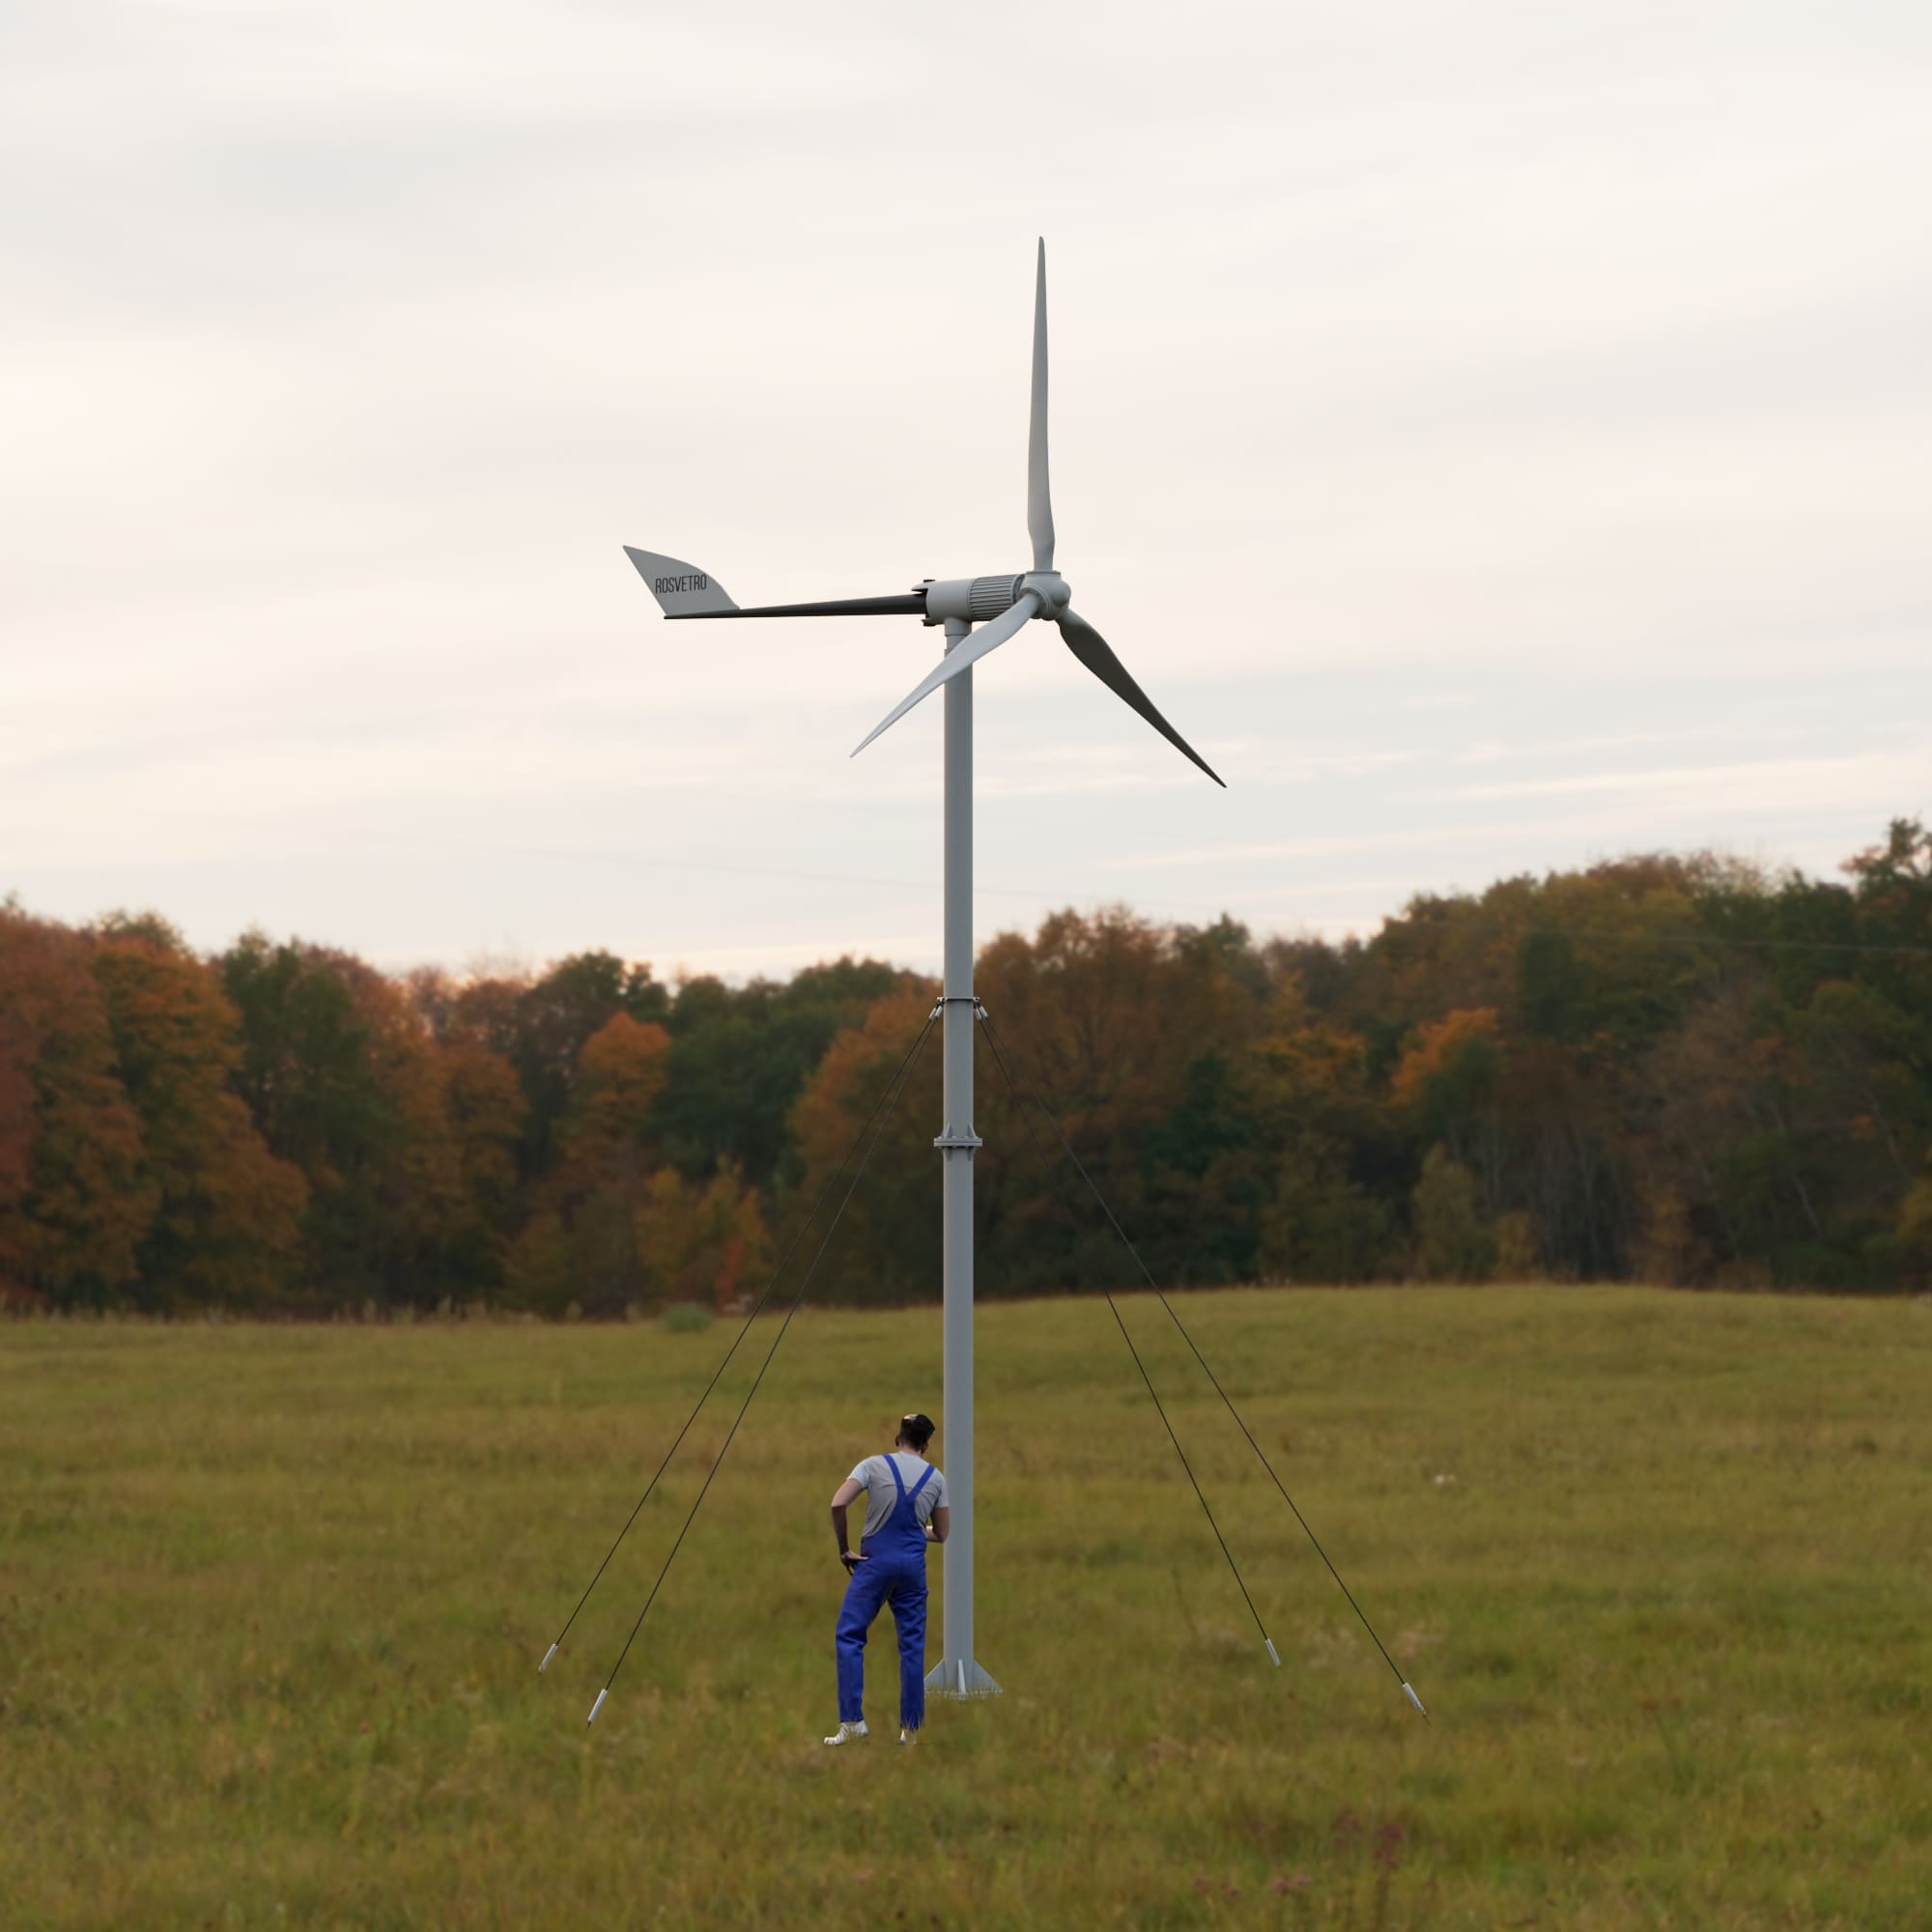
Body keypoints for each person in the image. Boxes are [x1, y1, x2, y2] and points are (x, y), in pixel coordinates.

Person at [823, 1412, 949, 1747]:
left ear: (897, 1439)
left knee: (850, 1634)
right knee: (912, 1647)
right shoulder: (936, 1478)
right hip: (911, 1567)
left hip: (874, 1564)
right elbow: (943, 1533)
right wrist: (912, 1533)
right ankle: (911, 1730)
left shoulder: (871, 1466)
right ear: (926, 1444)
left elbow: (838, 1504)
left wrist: (844, 1548)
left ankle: (852, 1721)